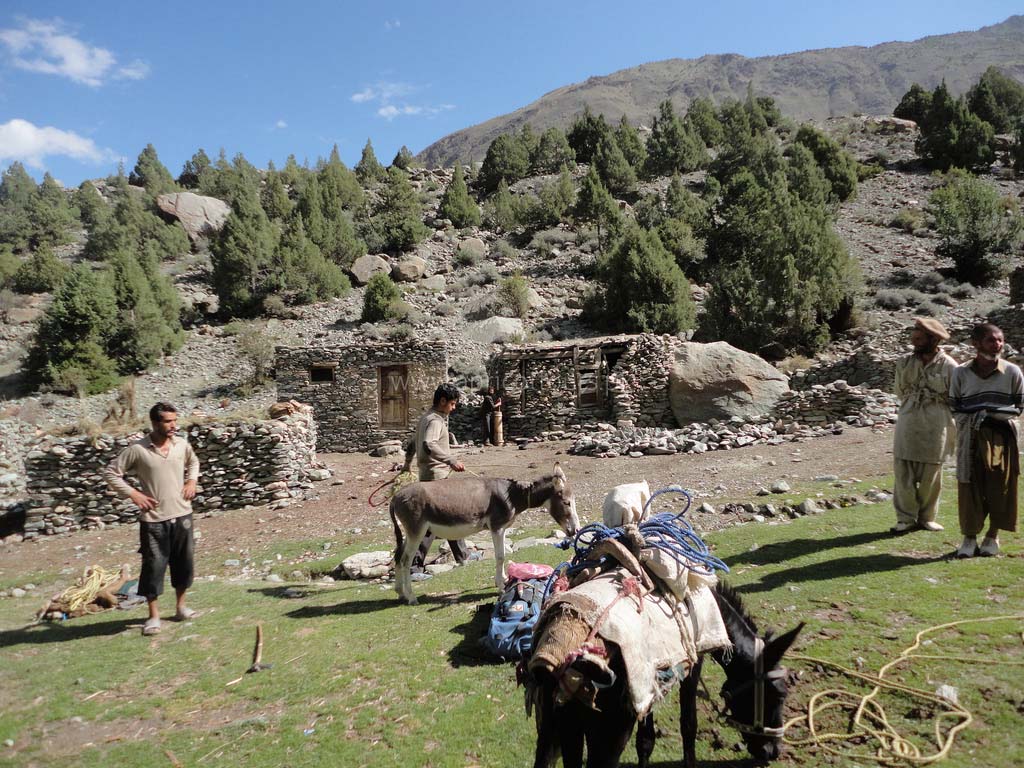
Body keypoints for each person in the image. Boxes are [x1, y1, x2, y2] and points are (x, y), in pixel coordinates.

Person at [105, 402, 200, 636]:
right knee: (154, 566)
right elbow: (111, 473)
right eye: (168, 421)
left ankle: (180, 608)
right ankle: (153, 616)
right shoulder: (138, 450)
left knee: (184, 564)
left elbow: (194, 462)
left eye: (175, 420)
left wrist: (192, 481)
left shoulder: (181, 445)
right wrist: (134, 494)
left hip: (182, 514)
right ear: (155, 423)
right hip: (154, 519)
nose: (173, 426)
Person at [949, 323, 1024, 558]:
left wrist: (991, 413)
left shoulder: (1012, 372)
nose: (998, 345)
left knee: (999, 485)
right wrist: (975, 419)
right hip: (970, 436)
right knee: (969, 484)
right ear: (976, 344)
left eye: (1000, 340)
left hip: (1002, 435)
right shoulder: (960, 372)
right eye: (992, 340)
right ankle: (969, 537)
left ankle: (992, 536)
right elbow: (954, 407)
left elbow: (1019, 407)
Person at [890, 317, 958, 533]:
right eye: (914, 338)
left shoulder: (950, 366)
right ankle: (905, 518)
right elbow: (900, 391)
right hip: (908, 421)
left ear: (934, 340)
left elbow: (955, 396)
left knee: (932, 472)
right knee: (903, 471)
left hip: (937, 424)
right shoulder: (904, 363)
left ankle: (927, 517)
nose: (915, 342)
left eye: (920, 339)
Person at [401, 383, 469, 568]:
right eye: (452, 404)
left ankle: (463, 557)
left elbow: (413, 444)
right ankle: (414, 565)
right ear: (442, 400)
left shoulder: (425, 418)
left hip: (427, 475)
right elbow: (428, 444)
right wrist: (451, 460)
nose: (453, 408)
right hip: (436, 476)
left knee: (445, 518)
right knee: (440, 520)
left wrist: (406, 465)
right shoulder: (436, 421)